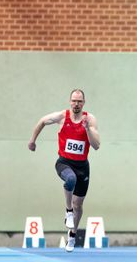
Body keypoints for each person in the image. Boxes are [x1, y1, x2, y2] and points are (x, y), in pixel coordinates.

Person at [28, 89, 101, 252]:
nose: (77, 104)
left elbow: (96, 146)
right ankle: (68, 211)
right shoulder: (62, 117)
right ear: (70, 101)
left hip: (82, 166)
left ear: (84, 103)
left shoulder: (90, 119)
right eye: (74, 101)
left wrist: (88, 129)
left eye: (80, 101)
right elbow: (42, 121)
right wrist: (32, 141)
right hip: (64, 163)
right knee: (70, 180)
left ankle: (72, 236)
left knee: (79, 204)